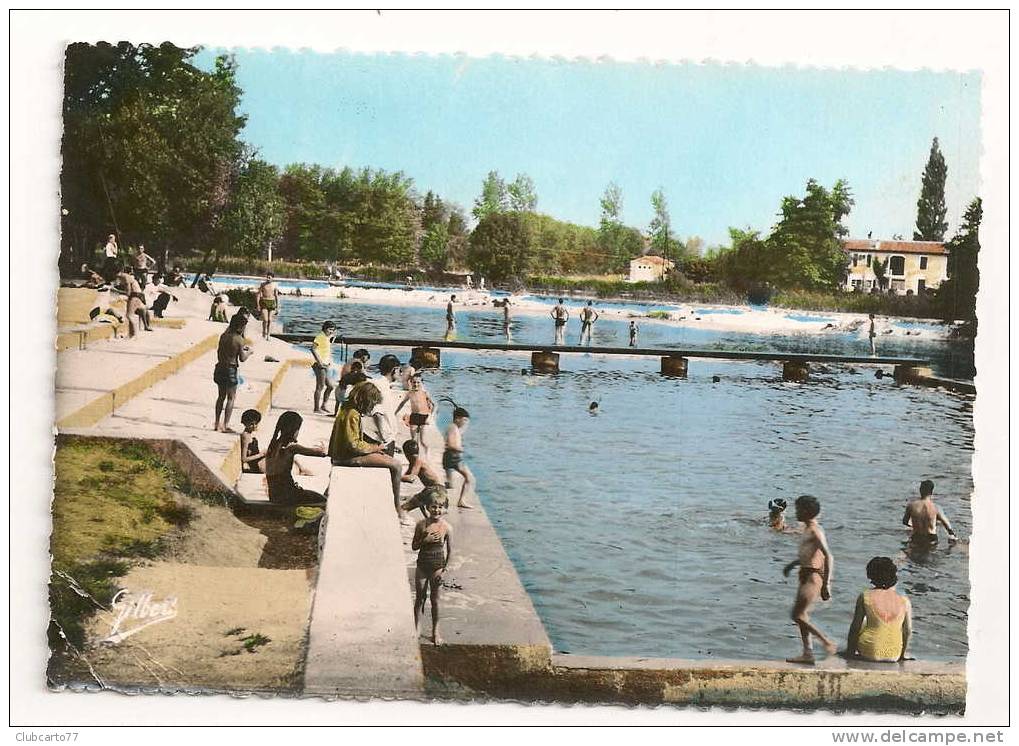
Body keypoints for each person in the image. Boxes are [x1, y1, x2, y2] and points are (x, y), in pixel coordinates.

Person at [329, 381, 404, 515]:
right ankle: (397, 507)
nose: (373, 407)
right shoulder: (353, 414)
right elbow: (354, 445)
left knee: (385, 458)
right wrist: (375, 447)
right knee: (396, 465)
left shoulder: (347, 409)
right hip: (345, 457)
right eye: (373, 403)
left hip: (341, 454)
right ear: (366, 400)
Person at [782, 495, 837, 663]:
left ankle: (827, 642)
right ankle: (808, 653)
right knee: (802, 615)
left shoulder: (815, 530)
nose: (796, 512)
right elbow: (809, 554)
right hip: (805, 573)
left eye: (798, 509)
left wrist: (826, 584)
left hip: (813, 577)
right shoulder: (807, 529)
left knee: (796, 615)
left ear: (806, 512)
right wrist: (793, 564)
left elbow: (828, 556)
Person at [845, 557, 913, 662]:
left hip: (870, 651)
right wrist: (901, 655)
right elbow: (907, 631)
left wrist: (850, 653)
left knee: (863, 623)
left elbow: (855, 628)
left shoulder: (865, 596)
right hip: (894, 654)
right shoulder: (904, 601)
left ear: (871, 576)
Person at [412, 488, 453, 645]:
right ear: (427, 507)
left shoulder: (447, 528)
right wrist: (425, 540)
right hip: (422, 565)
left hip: (437, 566)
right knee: (419, 598)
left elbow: (450, 552)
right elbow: (414, 547)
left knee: (435, 600)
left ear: (445, 509)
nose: (437, 510)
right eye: (433, 506)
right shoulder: (421, 525)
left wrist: (444, 570)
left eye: (440, 507)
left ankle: (436, 631)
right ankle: (417, 628)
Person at [264, 411, 328, 506]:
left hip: (274, 495)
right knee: (323, 500)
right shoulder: (291, 447)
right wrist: (324, 448)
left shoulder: (273, 445)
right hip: (288, 495)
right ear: (294, 430)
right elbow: (322, 453)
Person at [213, 312, 253, 433]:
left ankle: (216, 422)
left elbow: (220, 351)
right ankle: (225, 425)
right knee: (231, 398)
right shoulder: (239, 340)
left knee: (220, 396)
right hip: (231, 368)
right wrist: (249, 352)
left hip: (220, 367)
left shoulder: (223, 336)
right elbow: (242, 358)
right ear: (241, 326)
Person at [363, 353, 403, 451]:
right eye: (399, 370)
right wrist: (385, 438)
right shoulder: (382, 386)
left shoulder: (382, 384)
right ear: (394, 369)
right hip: (380, 438)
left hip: (381, 436)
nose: (400, 373)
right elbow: (377, 413)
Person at [441, 398, 475, 509]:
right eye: (464, 420)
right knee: (469, 478)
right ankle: (461, 501)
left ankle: (441, 499)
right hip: (453, 457)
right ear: (457, 419)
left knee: (450, 484)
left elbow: (459, 434)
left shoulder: (453, 427)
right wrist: (462, 449)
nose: (465, 423)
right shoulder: (453, 428)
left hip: (449, 457)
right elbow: (451, 444)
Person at [902, 479, 958, 545]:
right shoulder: (936, 508)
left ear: (920, 490)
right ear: (931, 492)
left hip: (917, 537)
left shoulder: (911, 506)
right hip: (931, 538)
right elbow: (947, 524)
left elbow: (905, 521)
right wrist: (952, 535)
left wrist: (913, 525)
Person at [396, 373, 435, 458]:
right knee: (414, 440)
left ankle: (427, 455)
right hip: (414, 417)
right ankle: (416, 456)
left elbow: (433, 405)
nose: (416, 384)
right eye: (414, 382)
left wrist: (430, 417)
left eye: (418, 382)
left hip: (424, 417)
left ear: (421, 383)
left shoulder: (425, 393)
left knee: (423, 440)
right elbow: (402, 403)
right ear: (411, 382)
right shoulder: (410, 393)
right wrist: (395, 412)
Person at [114, 264, 152, 337]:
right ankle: (132, 334)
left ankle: (133, 334)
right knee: (140, 311)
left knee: (129, 316)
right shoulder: (124, 276)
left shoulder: (124, 277)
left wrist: (116, 291)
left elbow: (128, 292)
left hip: (135, 295)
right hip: (138, 295)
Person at [311, 321, 337, 413]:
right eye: (329, 329)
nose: (331, 331)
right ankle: (316, 408)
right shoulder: (320, 337)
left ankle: (323, 405)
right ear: (325, 328)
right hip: (319, 365)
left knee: (330, 386)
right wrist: (320, 362)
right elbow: (313, 349)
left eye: (333, 330)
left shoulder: (326, 337)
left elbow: (325, 350)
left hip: (325, 365)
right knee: (320, 386)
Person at [239, 409, 266, 473]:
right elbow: (244, 459)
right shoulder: (245, 436)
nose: (254, 426)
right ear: (245, 423)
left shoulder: (249, 434)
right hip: (256, 465)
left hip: (258, 462)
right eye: (251, 424)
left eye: (256, 423)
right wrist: (260, 455)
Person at [257, 272, 280, 340]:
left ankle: (268, 335)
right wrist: (258, 305)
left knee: (270, 320)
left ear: (272, 278)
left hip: (272, 302)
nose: (268, 278)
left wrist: (277, 306)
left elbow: (276, 296)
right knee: (265, 319)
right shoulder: (263, 284)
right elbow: (258, 295)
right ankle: (264, 332)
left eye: (269, 277)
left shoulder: (274, 285)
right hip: (264, 302)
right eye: (267, 277)